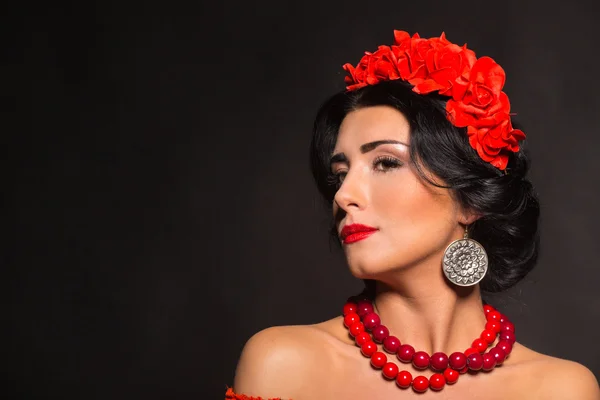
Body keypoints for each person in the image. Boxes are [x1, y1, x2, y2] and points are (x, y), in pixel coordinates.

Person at [225, 30, 600, 399]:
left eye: (386, 163)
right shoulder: (282, 366)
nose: (344, 195)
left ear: (470, 201)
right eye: (339, 174)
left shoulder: (560, 389)